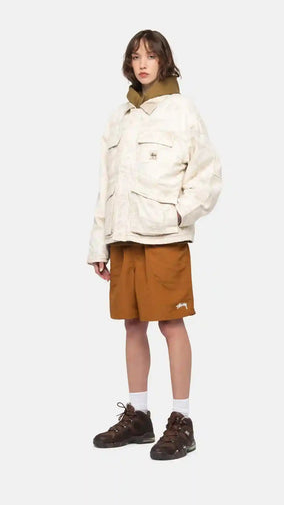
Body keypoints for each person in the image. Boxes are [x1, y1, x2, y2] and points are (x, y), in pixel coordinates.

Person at [86, 29, 222, 461]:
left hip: (163, 237)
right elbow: (106, 184)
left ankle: (182, 420)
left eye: (150, 55)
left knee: (170, 324)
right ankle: (139, 416)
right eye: (135, 56)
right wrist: (99, 244)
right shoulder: (119, 118)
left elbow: (208, 174)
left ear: (164, 61)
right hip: (123, 238)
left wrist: (178, 215)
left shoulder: (182, 111)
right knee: (132, 324)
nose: (142, 63)